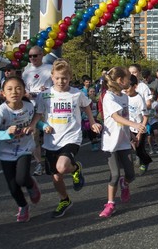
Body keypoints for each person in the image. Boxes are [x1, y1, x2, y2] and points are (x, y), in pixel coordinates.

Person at [27, 59, 102, 218]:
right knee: (56, 177)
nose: (61, 81)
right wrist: (34, 125)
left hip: (71, 137)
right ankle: (64, 200)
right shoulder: (45, 95)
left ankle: (76, 168)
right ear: (52, 77)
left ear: (70, 77)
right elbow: (39, 114)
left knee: (61, 167)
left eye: (65, 78)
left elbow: (86, 105)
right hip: (51, 140)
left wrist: (93, 122)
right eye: (58, 78)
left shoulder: (76, 93)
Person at [0, 76, 42, 222]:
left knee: (22, 178)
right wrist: (6, 133)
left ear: (24, 91)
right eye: (9, 89)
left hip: (24, 148)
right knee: (12, 186)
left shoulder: (29, 106)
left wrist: (42, 126)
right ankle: (23, 206)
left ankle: (31, 184)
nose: (14, 92)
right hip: (5, 152)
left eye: (18, 88)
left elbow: (35, 122)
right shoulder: (1, 111)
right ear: (3, 93)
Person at [99, 67, 146, 218]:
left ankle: (124, 183)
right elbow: (116, 117)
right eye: (128, 78)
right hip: (111, 143)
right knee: (114, 174)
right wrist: (135, 125)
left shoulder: (125, 97)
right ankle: (110, 203)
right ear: (120, 80)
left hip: (124, 141)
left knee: (131, 174)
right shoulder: (109, 97)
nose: (130, 80)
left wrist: (132, 135)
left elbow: (124, 118)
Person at [22, 46, 53, 176]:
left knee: (49, 133)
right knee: (33, 135)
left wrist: (46, 89)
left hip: (48, 106)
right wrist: (27, 94)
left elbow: (58, 85)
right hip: (32, 107)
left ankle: (51, 160)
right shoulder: (26, 72)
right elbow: (24, 89)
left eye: (35, 55)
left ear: (41, 55)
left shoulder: (50, 68)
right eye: (30, 56)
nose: (33, 58)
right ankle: (39, 164)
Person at [124, 74, 152, 175]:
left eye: (128, 87)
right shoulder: (123, 96)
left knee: (139, 149)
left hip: (139, 127)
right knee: (128, 148)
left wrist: (140, 132)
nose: (126, 89)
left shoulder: (139, 99)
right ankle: (131, 166)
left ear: (135, 86)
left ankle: (146, 161)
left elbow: (145, 116)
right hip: (128, 127)